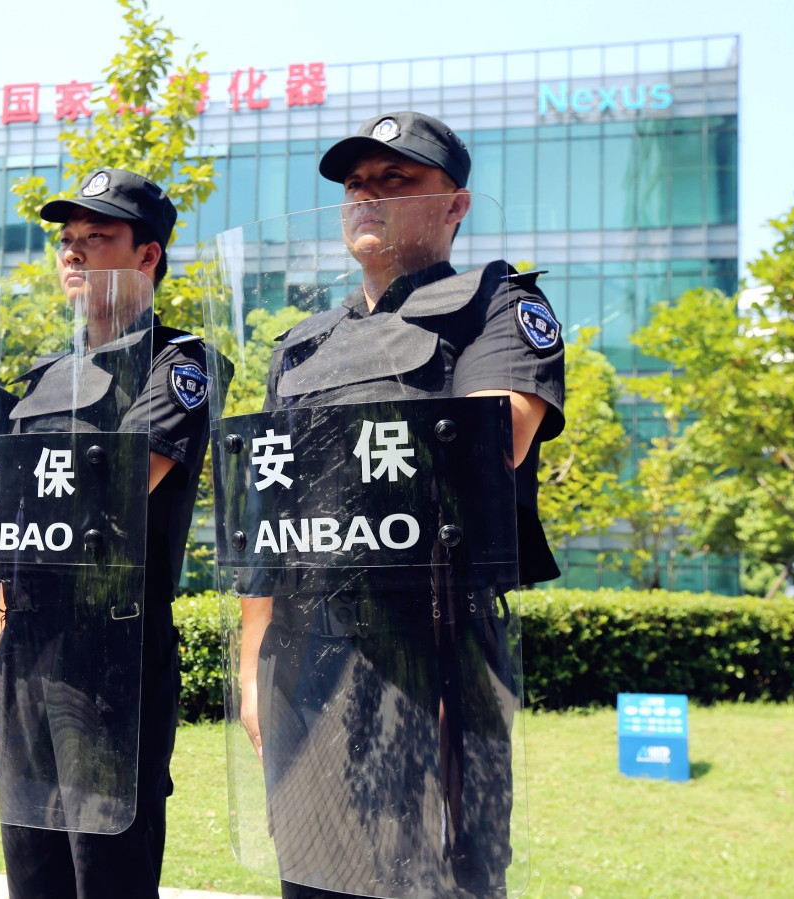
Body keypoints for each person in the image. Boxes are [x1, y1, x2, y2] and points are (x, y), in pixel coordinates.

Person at [235, 112, 566, 899]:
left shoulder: (496, 305)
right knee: (314, 878)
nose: (368, 197)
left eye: (396, 179)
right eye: (357, 184)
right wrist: (252, 670)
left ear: (455, 205)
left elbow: (493, 444)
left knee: (434, 878)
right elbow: (266, 524)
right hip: (305, 658)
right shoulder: (301, 344)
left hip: (434, 651)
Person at [0, 168, 219, 899]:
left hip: (114, 647)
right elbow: (4, 525)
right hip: (26, 646)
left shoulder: (179, 363)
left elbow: (116, 487)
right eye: (68, 240)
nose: (74, 252)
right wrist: (0, 641)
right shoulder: (41, 378)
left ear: (148, 255)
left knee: (106, 866)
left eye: (97, 237)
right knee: (32, 863)